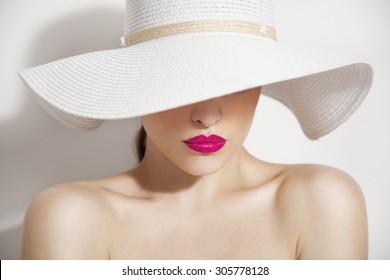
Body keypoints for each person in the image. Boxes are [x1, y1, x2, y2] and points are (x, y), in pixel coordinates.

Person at [18, 0, 373, 259]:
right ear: (135, 84)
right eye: (179, 83)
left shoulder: (321, 200)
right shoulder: (70, 217)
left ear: (261, 84)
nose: (206, 115)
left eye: (236, 82)